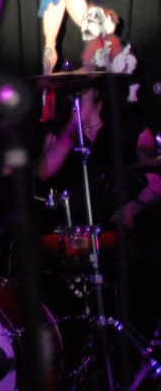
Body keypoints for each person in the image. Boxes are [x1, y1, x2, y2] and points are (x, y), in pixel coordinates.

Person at [38, 85, 161, 346]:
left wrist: (133, 207)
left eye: (83, 88)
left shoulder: (132, 130)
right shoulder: (63, 135)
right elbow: (44, 175)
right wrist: (67, 134)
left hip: (119, 230)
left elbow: (156, 181)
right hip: (74, 230)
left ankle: (137, 344)